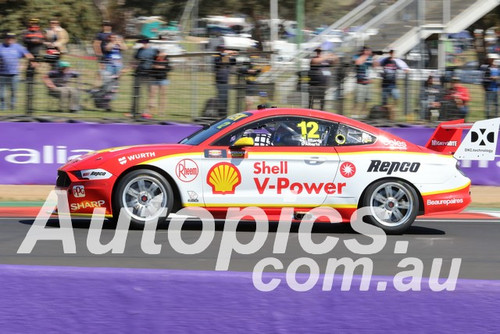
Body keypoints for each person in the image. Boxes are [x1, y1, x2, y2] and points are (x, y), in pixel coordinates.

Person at [0, 32, 35, 110]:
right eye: (8, 38)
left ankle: (13, 107)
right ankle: (2, 108)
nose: (10, 39)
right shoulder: (0, 47)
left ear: (14, 39)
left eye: (12, 38)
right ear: (5, 39)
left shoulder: (18, 47)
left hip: (14, 74)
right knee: (1, 93)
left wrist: (32, 61)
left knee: (14, 91)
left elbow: (28, 54)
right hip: (2, 74)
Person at [214, 45, 237, 117]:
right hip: (220, 80)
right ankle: (221, 114)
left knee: (226, 98)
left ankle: (225, 114)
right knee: (221, 98)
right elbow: (219, 63)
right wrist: (226, 55)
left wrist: (232, 55)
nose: (223, 50)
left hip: (226, 80)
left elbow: (234, 62)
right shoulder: (217, 57)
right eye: (222, 49)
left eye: (224, 49)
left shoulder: (227, 57)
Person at [352, 46, 376, 117]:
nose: (368, 52)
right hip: (360, 81)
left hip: (368, 82)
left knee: (367, 100)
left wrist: (374, 58)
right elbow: (357, 63)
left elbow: (375, 66)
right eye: (366, 50)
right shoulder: (356, 56)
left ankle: (363, 114)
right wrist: (365, 56)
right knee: (358, 100)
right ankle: (354, 114)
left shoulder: (370, 58)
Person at [148, 49, 171, 117]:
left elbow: (169, 68)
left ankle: (161, 112)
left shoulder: (166, 59)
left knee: (163, 96)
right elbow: (151, 67)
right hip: (154, 79)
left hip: (163, 79)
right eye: (160, 53)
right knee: (152, 95)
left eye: (163, 53)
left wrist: (160, 67)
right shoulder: (153, 59)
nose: (162, 54)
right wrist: (158, 66)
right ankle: (150, 111)